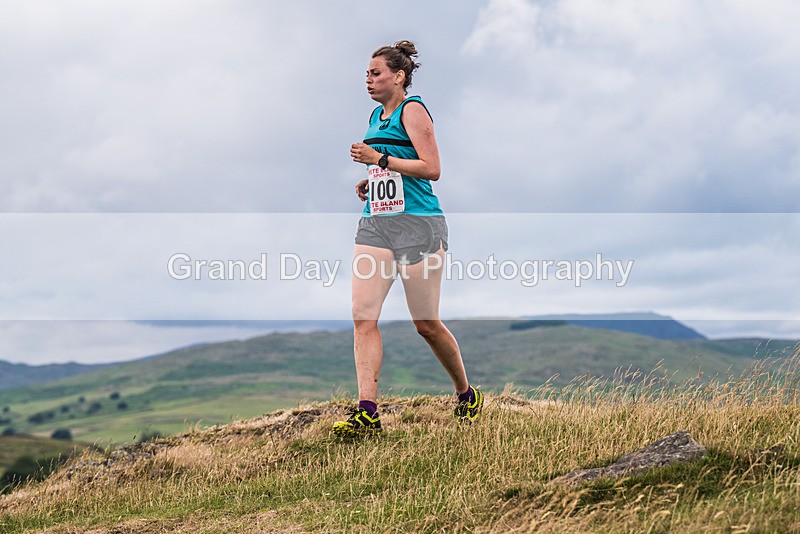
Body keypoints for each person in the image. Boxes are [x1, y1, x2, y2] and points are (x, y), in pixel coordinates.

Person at [332, 40, 483, 438]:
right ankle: (367, 411)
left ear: (399, 77)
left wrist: (379, 160)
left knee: (426, 324)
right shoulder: (374, 115)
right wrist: (373, 180)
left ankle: (466, 394)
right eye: (366, 73)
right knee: (363, 316)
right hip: (377, 225)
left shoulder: (413, 110)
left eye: (375, 72)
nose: (368, 79)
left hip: (419, 225)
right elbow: (394, 166)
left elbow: (431, 168)